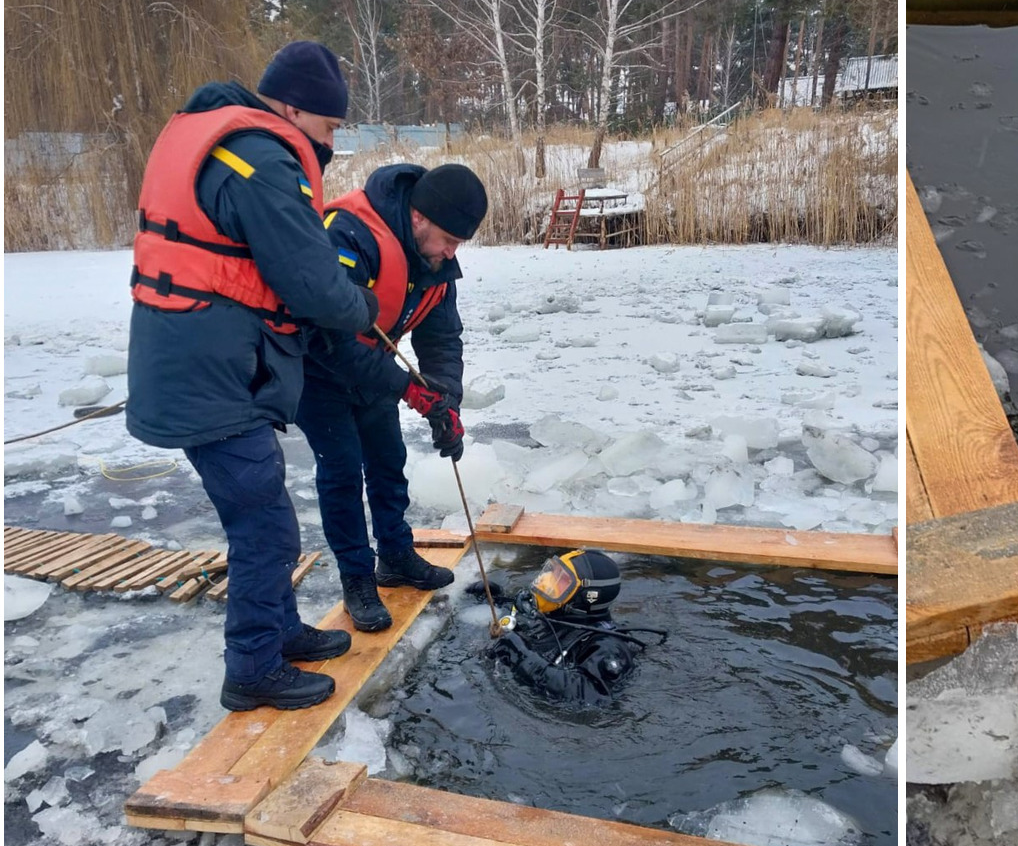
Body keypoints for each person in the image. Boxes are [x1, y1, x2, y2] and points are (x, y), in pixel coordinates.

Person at [127, 41, 380, 712]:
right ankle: (253, 669)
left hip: (206, 360)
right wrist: (365, 308)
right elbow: (313, 283)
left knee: (266, 509)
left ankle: (277, 630)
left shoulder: (217, 134)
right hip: (212, 372)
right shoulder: (261, 156)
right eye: (327, 129)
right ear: (294, 107)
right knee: (264, 525)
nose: (328, 145)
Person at [296, 163, 483, 632]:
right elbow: (329, 340)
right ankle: (357, 577)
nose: (450, 251)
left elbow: (442, 341)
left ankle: (396, 555)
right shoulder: (349, 234)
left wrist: (446, 402)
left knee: (387, 461)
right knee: (341, 471)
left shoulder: (435, 263)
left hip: (372, 370)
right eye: (447, 239)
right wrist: (407, 388)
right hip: (317, 370)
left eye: (458, 244)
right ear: (418, 217)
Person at [487, 550, 666, 704]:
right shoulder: (555, 616)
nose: (545, 581)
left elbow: (587, 694)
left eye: (561, 580)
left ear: (586, 597)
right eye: (552, 572)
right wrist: (495, 598)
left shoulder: (608, 646)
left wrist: (519, 655)